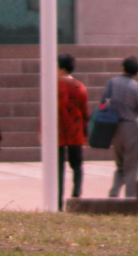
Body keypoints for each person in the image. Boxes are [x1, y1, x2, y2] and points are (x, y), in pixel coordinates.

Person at [103, 55, 138, 198]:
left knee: (120, 167)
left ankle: (113, 194)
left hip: (114, 129)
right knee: (132, 168)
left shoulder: (111, 83)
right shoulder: (137, 87)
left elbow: (104, 105)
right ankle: (131, 200)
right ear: (136, 72)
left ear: (123, 68)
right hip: (131, 128)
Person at [56, 53, 89, 210]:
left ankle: (57, 201)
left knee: (58, 169)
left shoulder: (54, 86)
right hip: (76, 132)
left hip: (58, 132)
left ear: (61, 68)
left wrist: (42, 130)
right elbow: (85, 113)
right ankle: (76, 196)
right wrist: (85, 133)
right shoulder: (80, 87)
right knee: (77, 166)